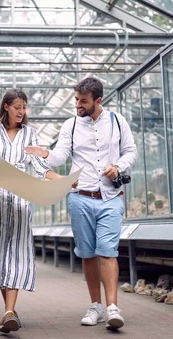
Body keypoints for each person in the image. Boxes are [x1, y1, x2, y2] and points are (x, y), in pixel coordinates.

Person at [25, 77, 137, 330]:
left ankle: (112, 308)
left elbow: (131, 151)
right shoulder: (71, 125)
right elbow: (61, 155)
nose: (78, 104)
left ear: (98, 100)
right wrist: (46, 154)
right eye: (76, 99)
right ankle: (95, 306)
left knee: (108, 252)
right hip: (81, 199)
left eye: (83, 101)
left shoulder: (118, 122)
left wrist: (117, 166)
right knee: (87, 254)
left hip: (110, 198)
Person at [0, 89, 63, 333]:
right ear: (5, 107)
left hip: (20, 199)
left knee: (16, 254)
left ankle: (9, 311)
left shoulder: (30, 134)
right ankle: (9, 312)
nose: (22, 112)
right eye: (17, 107)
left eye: (24, 107)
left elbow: (41, 166)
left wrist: (62, 179)